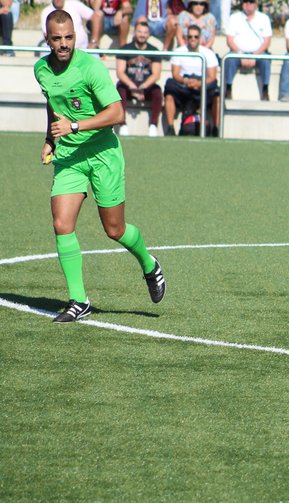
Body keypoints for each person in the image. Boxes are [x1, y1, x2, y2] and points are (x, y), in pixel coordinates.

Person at [35, 10, 166, 323]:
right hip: (70, 156)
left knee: (114, 229)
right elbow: (53, 104)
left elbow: (117, 113)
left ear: (75, 36)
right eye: (57, 38)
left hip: (103, 154)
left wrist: (74, 126)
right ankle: (79, 300)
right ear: (47, 39)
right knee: (61, 224)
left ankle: (149, 264)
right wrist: (50, 139)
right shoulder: (41, 69)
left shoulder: (90, 67)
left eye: (69, 37)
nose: (64, 44)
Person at [163, 23, 219, 134]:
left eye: (196, 37)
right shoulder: (179, 51)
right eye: (190, 36)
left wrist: (199, 83)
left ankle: (216, 129)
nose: (193, 39)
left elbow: (212, 76)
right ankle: (170, 128)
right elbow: (175, 74)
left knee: (217, 93)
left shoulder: (208, 53)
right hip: (184, 84)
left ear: (200, 38)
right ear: (186, 38)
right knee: (169, 87)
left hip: (202, 83)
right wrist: (186, 81)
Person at [115, 20, 163, 137]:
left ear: (149, 34)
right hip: (129, 85)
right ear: (134, 33)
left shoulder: (154, 51)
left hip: (146, 86)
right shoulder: (125, 49)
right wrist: (132, 86)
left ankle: (153, 126)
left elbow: (156, 74)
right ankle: (122, 124)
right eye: (140, 32)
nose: (142, 35)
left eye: (145, 32)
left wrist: (142, 87)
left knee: (157, 91)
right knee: (120, 89)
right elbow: (120, 72)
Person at [224, 0, 271, 101]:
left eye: (251, 1)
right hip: (238, 52)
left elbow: (267, 42)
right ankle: (228, 88)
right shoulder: (234, 18)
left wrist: (254, 55)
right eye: (245, 1)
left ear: (256, 4)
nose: (248, 4)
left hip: (258, 53)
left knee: (266, 60)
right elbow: (230, 41)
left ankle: (265, 89)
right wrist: (241, 55)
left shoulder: (264, 18)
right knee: (229, 59)